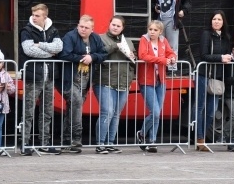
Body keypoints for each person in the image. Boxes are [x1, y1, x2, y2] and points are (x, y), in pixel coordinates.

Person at [58, 15, 107, 153]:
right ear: (77, 25)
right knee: (77, 103)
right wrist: (81, 58)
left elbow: (103, 54)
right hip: (68, 79)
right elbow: (64, 54)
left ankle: (66, 140)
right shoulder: (70, 37)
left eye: (86, 28)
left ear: (92, 29)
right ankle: (76, 139)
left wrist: (93, 57)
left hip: (85, 81)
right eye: (81, 27)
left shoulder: (96, 38)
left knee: (73, 108)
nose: (83, 30)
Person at [19, 3, 63, 156]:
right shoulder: (26, 30)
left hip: (49, 77)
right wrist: (50, 52)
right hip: (33, 77)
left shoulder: (54, 30)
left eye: (37, 15)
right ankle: (25, 143)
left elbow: (59, 47)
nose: (34, 18)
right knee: (28, 111)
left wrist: (42, 45)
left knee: (47, 111)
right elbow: (29, 50)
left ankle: (44, 143)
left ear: (45, 16)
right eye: (33, 15)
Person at [95, 15, 136, 154]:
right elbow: (99, 53)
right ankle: (100, 143)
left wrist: (132, 57)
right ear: (109, 24)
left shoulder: (128, 41)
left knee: (116, 114)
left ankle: (110, 143)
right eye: (113, 24)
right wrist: (116, 46)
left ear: (122, 28)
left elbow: (134, 61)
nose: (115, 27)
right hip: (105, 81)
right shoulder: (99, 38)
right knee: (107, 112)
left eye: (118, 26)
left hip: (123, 82)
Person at [136, 20, 176, 153]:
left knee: (157, 113)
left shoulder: (163, 41)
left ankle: (152, 141)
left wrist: (172, 58)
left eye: (155, 30)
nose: (152, 32)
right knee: (156, 112)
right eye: (150, 29)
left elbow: (170, 52)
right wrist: (163, 60)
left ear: (160, 32)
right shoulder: (144, 39)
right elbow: (143, 56)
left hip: (161, 80)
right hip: (147, 80)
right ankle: (142, 133)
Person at [195, 11, 232, 151]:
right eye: (214, 19)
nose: (216, 21)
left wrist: (228, 60)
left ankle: (202, 137)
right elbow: (204, 55)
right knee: (200, 107)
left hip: (217, 78)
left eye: (219, 19)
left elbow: (227, 56)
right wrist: (221, 58)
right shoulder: (206, 34)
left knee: (211, 111)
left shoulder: (226, 37)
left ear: (223, 22)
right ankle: (199, 139)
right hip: (204, 74)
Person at [151, 0, 191, 70]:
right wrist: (154, 8)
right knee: (158, 44)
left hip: (172, 21)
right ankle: (157, 69)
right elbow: (149, 3)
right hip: (158, 21)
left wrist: (184, 11)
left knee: (172, 46)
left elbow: (187, 1)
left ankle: (172, 69)